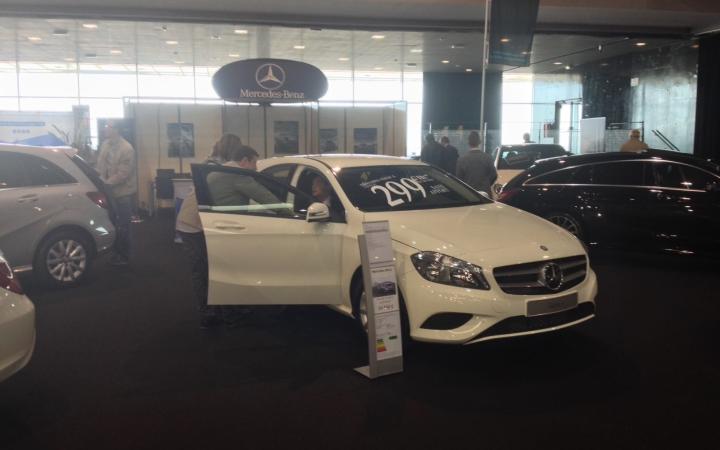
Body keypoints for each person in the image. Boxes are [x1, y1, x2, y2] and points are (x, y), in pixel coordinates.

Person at [176, 138, 253, 329]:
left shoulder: (212, 165)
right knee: (203, 271)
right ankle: (208, 314)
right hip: (194, 223)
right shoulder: (224, 169)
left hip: (202, 221)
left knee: (214, 268)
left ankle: (222, 310)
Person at [97, 120, 137, 266]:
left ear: (116, 130)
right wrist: (100, 181)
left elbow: (123, 174)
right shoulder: (105, 145)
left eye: (108, 127)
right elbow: (100, 166)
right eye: (105, 126)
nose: (105, 129)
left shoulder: (127, 149)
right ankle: (116, 253)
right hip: (107, 191)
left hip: (122, 193)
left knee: (124, 225)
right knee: (113, 224)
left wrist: (106, 184)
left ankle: (125, 256)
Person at [455, 131, 497, 196]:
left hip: (469, 194)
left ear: (468, 143)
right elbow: (494, 175)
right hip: (485, 193)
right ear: (479, 142)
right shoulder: (487, 158)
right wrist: (486, 184)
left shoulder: (462, 160)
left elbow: (459, 179)